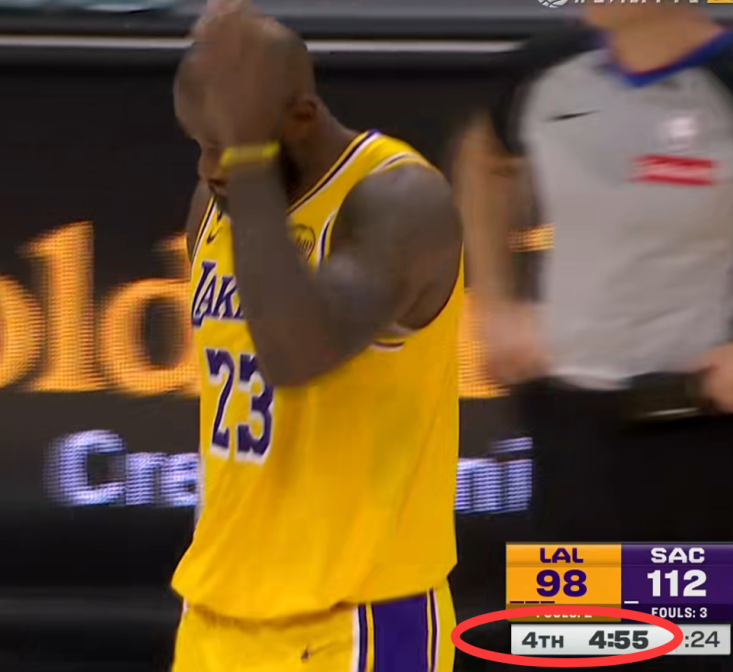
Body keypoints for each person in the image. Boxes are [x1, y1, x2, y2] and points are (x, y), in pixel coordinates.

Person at [457, 2, 733, 670]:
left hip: (701, 437)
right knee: (578, 645)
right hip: (576, 434)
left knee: (694, 647)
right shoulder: (545, 70)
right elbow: (483, 156)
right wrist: (495, 297)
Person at [169, 2, 464, 670]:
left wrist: (248, 157)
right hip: (216, 613)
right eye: (200, 145)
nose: (210, 169)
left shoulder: (402, 200)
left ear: (300, 117)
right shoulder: (220, 201)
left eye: (226, 143)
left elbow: (294, 353)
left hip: (354, 622)